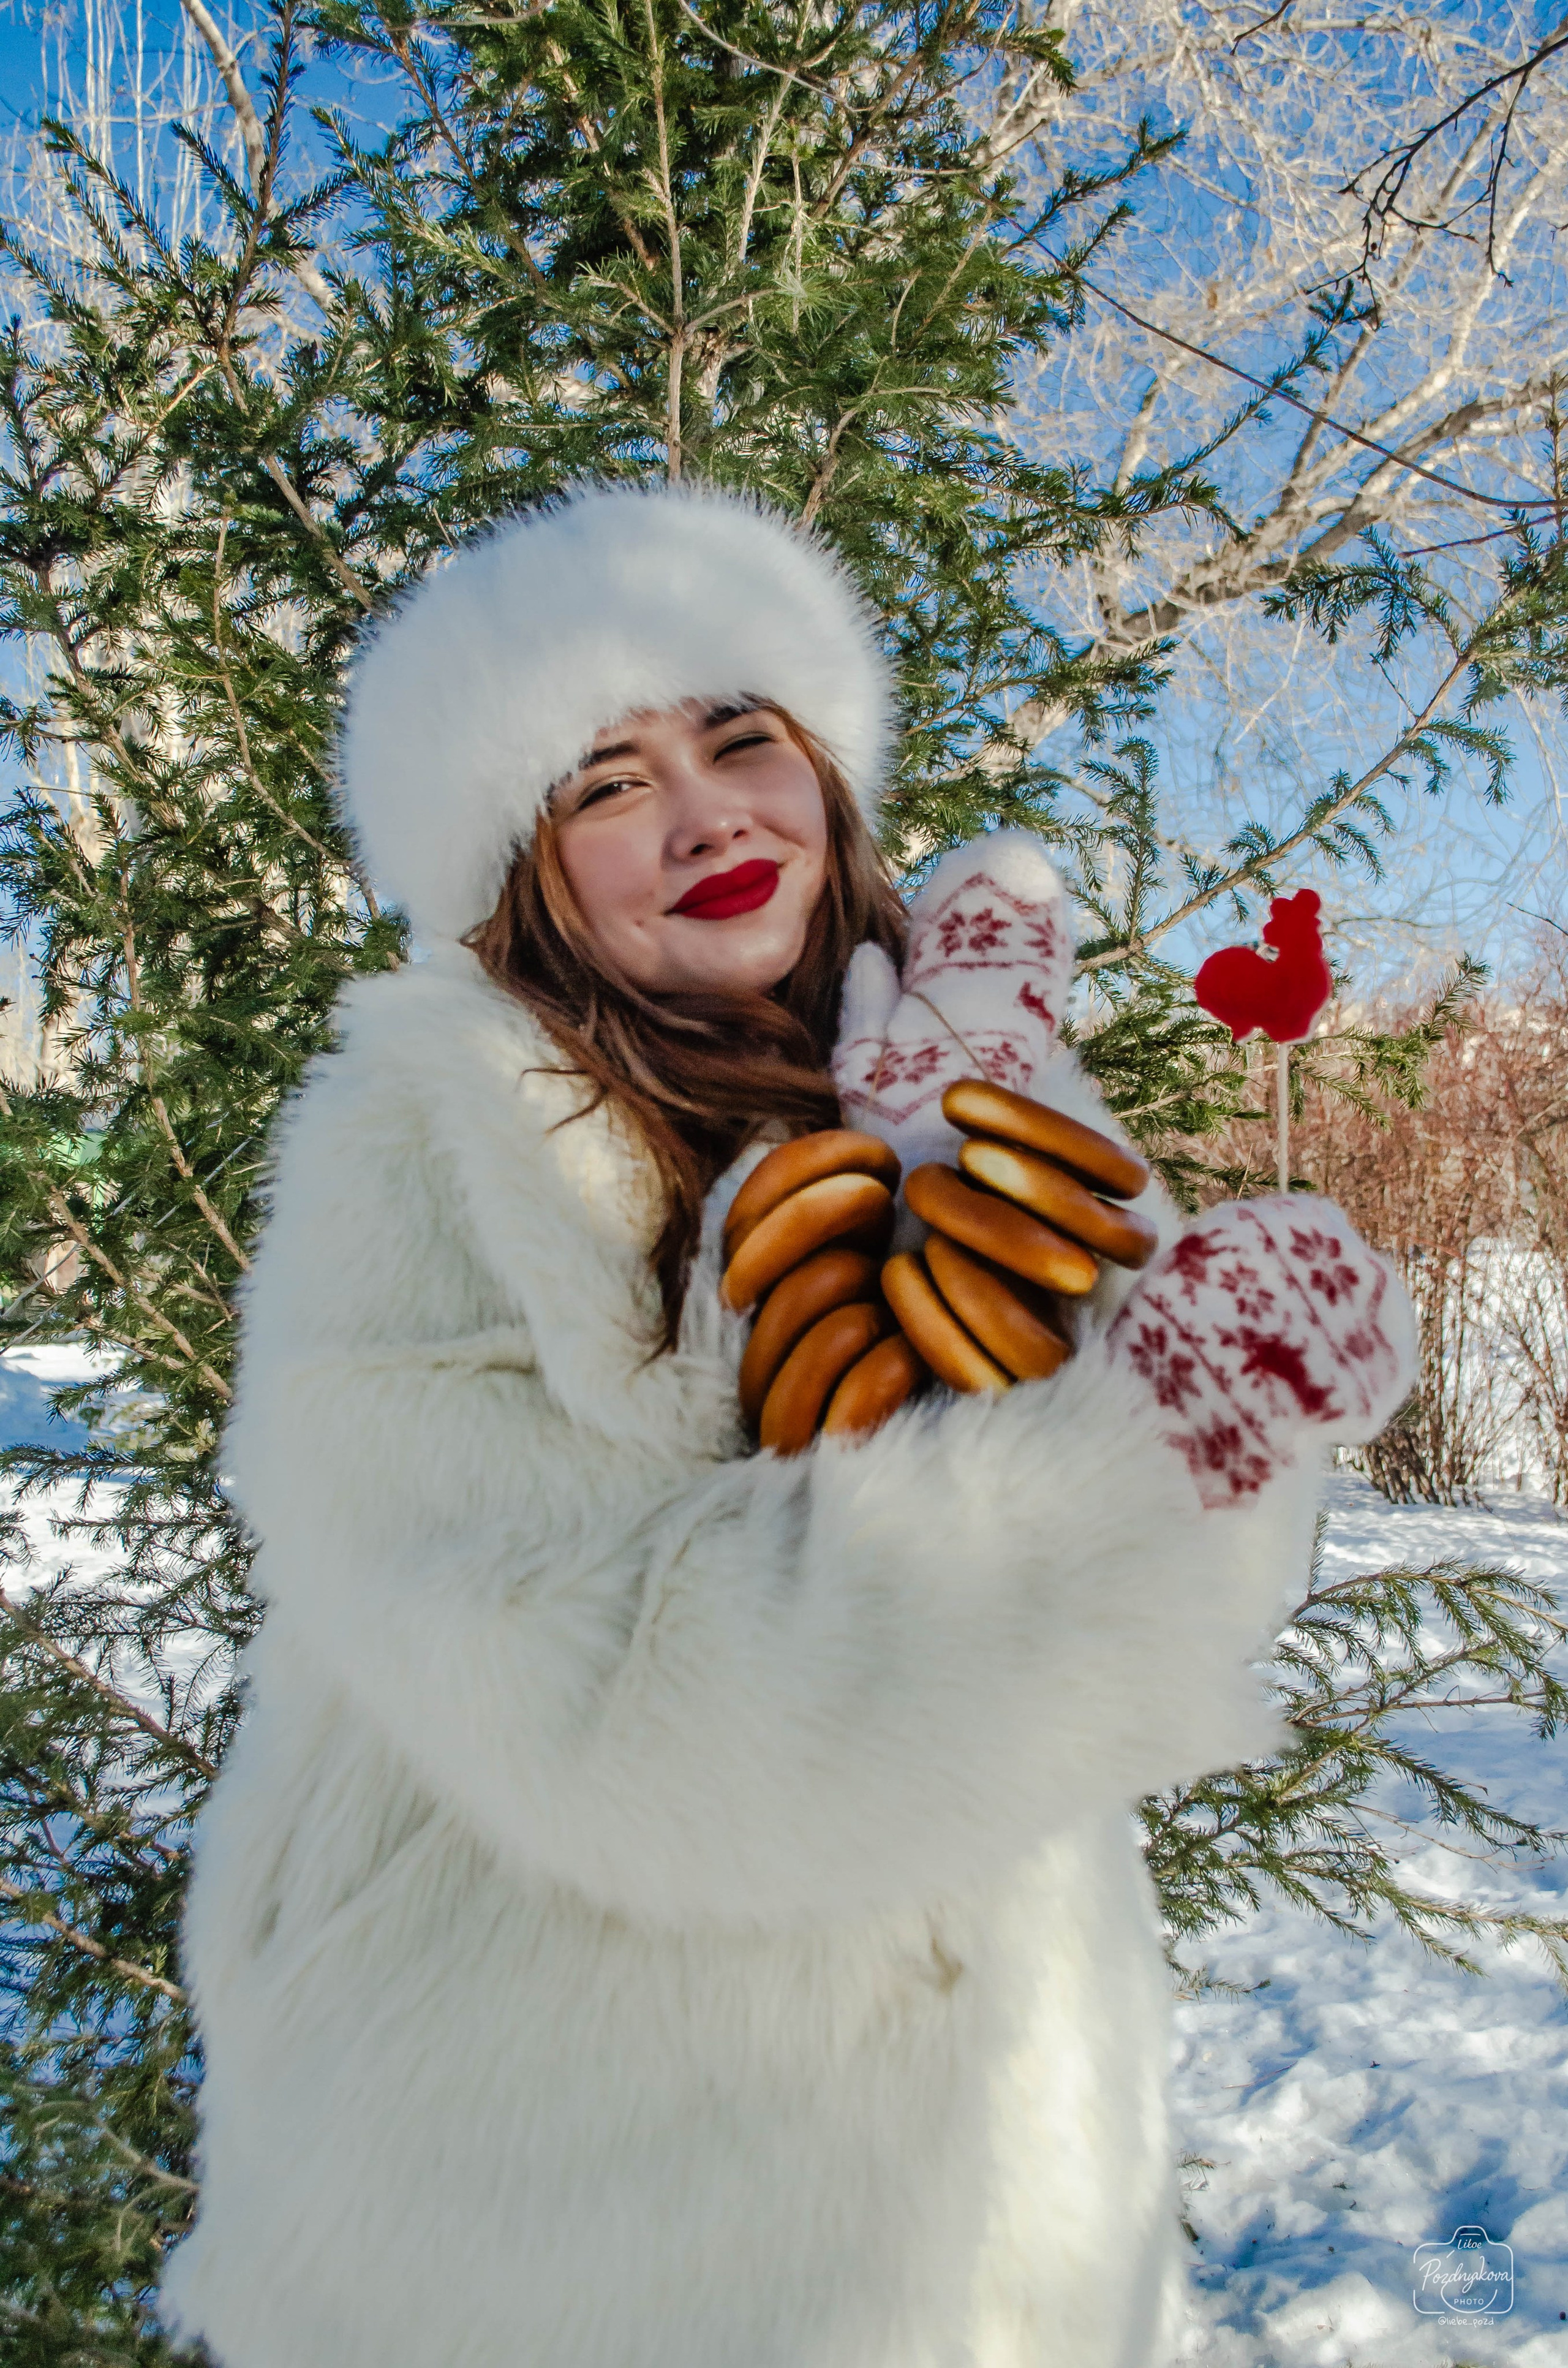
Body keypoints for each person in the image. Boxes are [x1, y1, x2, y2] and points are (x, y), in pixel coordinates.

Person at [161, 482, 1414, 2368]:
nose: (705, 808)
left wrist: (1248, 1394)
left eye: (745, 738)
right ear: (522, 861)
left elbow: (1185, 1523)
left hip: (992, 2156)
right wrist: (1142, 1457)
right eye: (606, 779)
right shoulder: (425, 1145)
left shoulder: (960, 1065)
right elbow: (601, 1683)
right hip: (560, 2186)